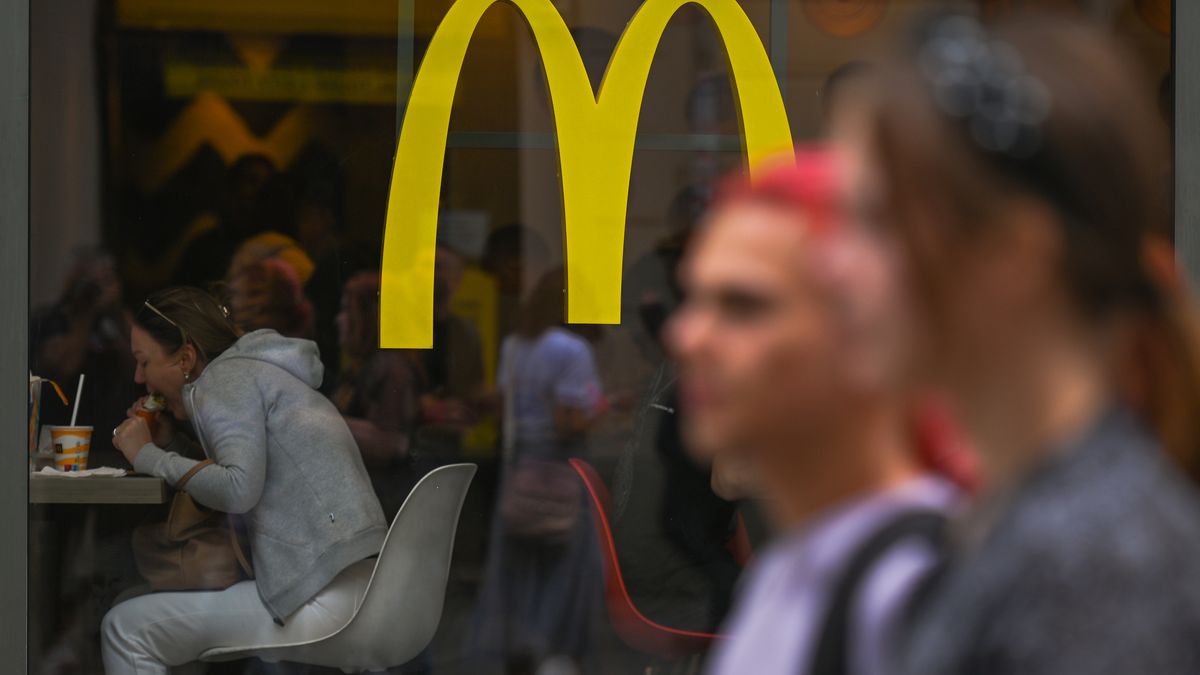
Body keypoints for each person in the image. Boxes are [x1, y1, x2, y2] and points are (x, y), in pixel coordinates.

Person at [838, 11, 1200, 674]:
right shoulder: (1038, 518)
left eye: (877, 223)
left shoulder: (1093, 577)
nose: (835, 265)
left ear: (1016, 253)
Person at [667, 151, 959, 675]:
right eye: (694, 300)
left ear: (864, 337)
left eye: (743, 306)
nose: (688, 337)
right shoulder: (792, 570)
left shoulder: (917, 587)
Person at [103, 286, 387, 674]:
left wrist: (147, 455)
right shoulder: (253, 370)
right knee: (136, 607)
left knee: (124, 626)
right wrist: (172, 443)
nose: (137, 377)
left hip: (320, 591)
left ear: (186, 358)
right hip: (352, 577)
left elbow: (238, 489)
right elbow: (246, 473)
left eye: (143, 362)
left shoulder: (223, 381)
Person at [471, 268, 604, 674]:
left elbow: (505, 403)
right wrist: (604, 408)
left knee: (521, 567)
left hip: (519, 467)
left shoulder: (515, 345)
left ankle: (523, 646)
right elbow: (568, 422)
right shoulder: (572, 351)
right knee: (565, 565)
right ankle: (551, 652)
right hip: (560, 467)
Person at [331, 271, 424, 519]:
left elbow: (390, 442)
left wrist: (320, 420)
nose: (338, 320)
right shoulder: (361, 366)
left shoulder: (391, 368)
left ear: (369, 316)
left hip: (381, 506)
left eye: (346, 310)